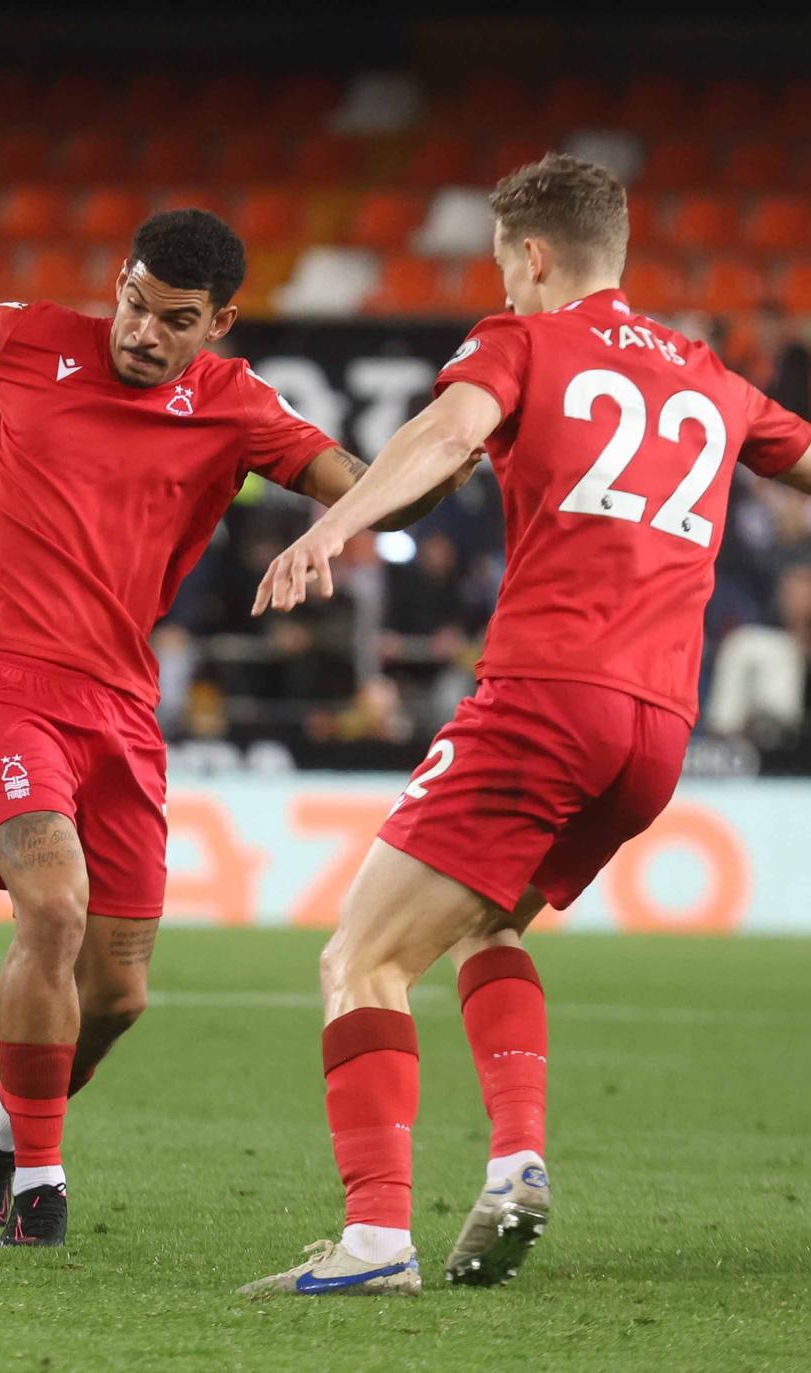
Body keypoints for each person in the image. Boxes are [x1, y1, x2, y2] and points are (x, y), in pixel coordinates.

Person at [0, 209, 468, 1247]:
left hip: (117, 704)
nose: (142, 334)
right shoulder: (23, 337)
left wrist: (446, 456)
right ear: (118, 279)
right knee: (52, 905)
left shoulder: (236, 406)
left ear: (219, 322)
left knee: (116, 992)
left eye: (175, 320)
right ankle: (41, 1178)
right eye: (134, 304)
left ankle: (0, 1118)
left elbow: (367, 492)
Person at [240, 154, 811, 1297]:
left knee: (358, 956)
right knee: (486, 925)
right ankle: (513, 1159)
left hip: (545, 697)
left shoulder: (521, 342)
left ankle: (372, 1240)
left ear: (533, 254)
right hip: (654, 734)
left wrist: (332, 525)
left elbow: (448, 435)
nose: (503, 285)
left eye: (506, 264)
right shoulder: (712, 377)